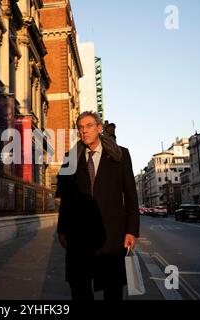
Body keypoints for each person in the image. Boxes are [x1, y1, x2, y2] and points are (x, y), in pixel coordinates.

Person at [56, 111, 139, 301]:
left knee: (112, 288)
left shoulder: (120, 155)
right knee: (79, 287)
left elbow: (131, 195)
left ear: (99, 128)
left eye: (89, 126)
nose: (84, 131)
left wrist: (131, 230)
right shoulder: (71, 157)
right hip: (78, 235)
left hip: (111, 235)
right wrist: (62, 229)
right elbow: (66, 198)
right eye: (81, 127)